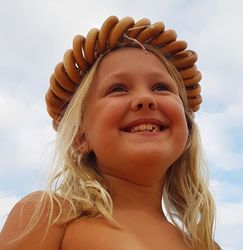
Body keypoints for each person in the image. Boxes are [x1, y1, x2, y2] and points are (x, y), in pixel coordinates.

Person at [0, 16, 221, 250]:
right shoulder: (49, 216)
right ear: (80, 136)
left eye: (161, 88)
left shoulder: (204, 245)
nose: (145, 99)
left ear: (186, 129)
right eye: (118, 89)